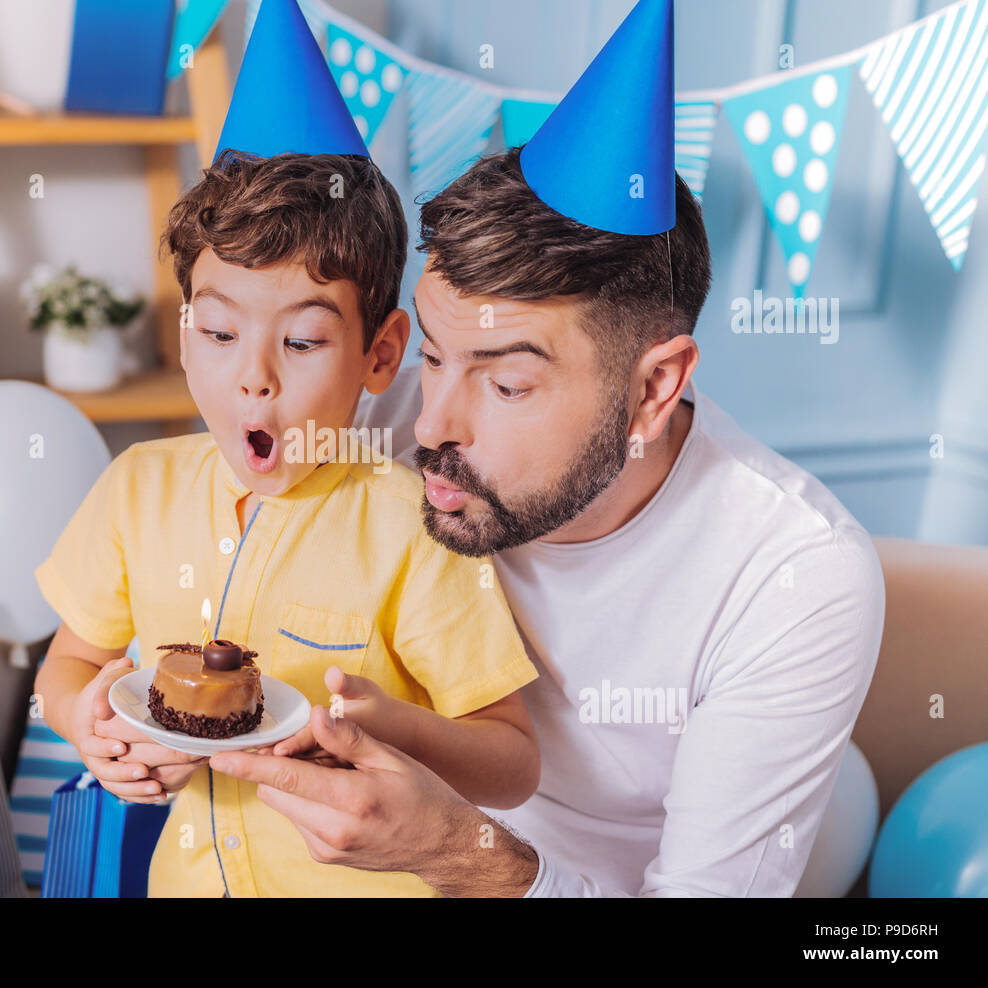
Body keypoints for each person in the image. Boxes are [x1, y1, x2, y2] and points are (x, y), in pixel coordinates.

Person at [206, 0, 885, 897]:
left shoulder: (793, 575)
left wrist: (461, 851)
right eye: (436, 357)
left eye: (507, 383)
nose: (429, 427)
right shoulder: (367, 428)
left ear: (653, 388)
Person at [30, 0, 540, 898]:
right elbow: (68, 664)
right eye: (219, 333)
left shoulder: (416, 524)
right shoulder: (135, 491)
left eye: (302, 343)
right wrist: (88, 726)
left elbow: (512, 763)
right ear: (183, 330)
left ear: (380, 354)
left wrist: (399, 729)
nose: (253, 380)